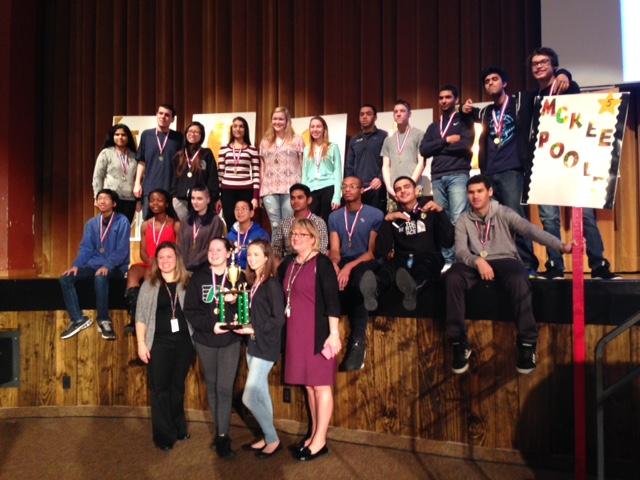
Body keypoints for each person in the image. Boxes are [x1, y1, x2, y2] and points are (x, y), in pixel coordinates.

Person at [445, 175, 572, 375]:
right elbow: (461, 251)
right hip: (475, 262)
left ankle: (527, 343)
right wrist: (477, 261)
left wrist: (561, 246)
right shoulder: (463, 219)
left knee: (518, 278)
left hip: (504, 259)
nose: (475, 196)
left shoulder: (504, 213)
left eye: (479, 191)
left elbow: (531, 231)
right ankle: (459, 342)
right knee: (453, 277)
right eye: (471, 192)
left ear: (490, 192)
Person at [462, 68, 570, 276]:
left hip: (512, 170)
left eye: (495, 79)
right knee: (497, 222)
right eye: (487, 81)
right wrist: (463, 109)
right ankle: (511, 261)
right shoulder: (486, 112)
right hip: (490, 173)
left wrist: (564, 74)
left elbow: (547, 93)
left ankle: (529, 264)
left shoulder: (521, 101)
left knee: (516, 219)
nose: (491, 83)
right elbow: (468, 115)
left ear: (504, 83)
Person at [524, 47, 619, 280]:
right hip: (545, 164)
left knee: (585, 215)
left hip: (573, 162)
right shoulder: (531, 98)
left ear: (554, 66)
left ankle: (598, 264)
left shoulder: (567, 87)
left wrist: (565, 74)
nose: (538, 66)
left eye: (543, 62)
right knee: (549, 218)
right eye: (534, 63)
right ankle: (555, 265)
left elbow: (575, 93)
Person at [278, 219, 341, 461]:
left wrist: (333, 334)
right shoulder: (290, 264)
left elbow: (333, 301)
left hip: (318, 334)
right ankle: (315, 434)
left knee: (321, 385)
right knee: (308, 385)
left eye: (302, 234)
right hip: (296, 332)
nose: (296, 238)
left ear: (314, 238)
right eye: (293, 234)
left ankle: (321, 440)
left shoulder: (322, 263)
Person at [183, 237, 243, 459]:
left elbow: (245, 305)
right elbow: (190, 310)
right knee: (213, 387)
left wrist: (233, 307)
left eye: (219, 249)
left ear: (228, 253)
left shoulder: (238, 275)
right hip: (206, 341)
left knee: (225, 389)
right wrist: (211, 325)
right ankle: (220, 432)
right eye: (211, 250)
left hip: (230, 341)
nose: (214, 253)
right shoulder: (198, 278)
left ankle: (223, 437)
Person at [360, 176, 454, 312]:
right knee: (388, 270)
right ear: (396, 197)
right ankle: (372, 292)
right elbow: (381, 251)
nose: (402, 191)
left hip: (427, 258)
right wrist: (386, 221)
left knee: (423, 268)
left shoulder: (431, 210)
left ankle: (412, 289)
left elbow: (448, 241)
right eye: (398, 189)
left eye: (406, 187)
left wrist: (441, 213)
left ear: (416, 191)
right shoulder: (394, 217)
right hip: (402, 261)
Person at [135, 241, 194, 451]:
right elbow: (140, 316)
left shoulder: (188, 282)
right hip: (158, 344)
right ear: (156, 262)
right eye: (161, 258)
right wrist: (141, 344)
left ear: (176, 259)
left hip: (184, 344)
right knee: (160, 389)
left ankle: (179, 427)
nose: (165, 261)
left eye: (169, 256)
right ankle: (163, 436)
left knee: (177, 388)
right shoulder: (149, 285)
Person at [328, 176, 384, 371]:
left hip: (364, 261)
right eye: (344, 186)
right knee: (326, 278)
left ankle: (358, 342)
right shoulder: (334, 216)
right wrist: (335, 264)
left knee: (359, 279)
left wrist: (348, 267)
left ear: (362, 190)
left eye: (353, 186)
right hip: (344, 260)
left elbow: (372, 252)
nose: (347, 190)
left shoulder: (375, 214)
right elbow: (335, 250)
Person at [235, 240, 285, 458]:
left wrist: (253, 328)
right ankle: (267, 437)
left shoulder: (272, 283)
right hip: (253, 344)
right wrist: (243, 323)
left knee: (249, 397)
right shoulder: (254, 282)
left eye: (257, 254)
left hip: (266, 346)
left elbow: (278, 318)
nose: (252, 258)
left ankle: (272, 438)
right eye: (249, 255)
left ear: (267, 257)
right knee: (262, 394)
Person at [59, 189, 130, 341]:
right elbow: (86, 248)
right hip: (93, 265)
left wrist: (108, 266)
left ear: (114, 203)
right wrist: (76, 265)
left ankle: (104, 320)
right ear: (95, 202)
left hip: (116, 267)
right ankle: (78, 319)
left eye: (106, 198)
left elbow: (122, 250)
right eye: (100, 198)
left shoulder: (122, 221)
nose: (102, 201)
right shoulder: (91, 224)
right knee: (66, 278)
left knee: (100, 277)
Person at [420, 85, 475, 270]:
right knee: (442, 219)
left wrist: (438, 147)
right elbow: (424, 150)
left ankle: (461, 259)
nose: (444, 100)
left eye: (448, 97)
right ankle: (448, 260)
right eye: (441, 97)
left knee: (458, 217)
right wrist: (445, 141)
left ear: (456, 100)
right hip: (437, 176)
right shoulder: (434, 127)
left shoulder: (465, 121)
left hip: (458, 174)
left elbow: (465, 146)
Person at [124, 189, 180, 333]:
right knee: (133, 271)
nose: (155, 203)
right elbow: (142, 250)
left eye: (159, 200)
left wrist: (161, 263)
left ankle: (149, 317)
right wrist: (151, 261)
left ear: (167, 204)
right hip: (149, 262)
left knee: (150, 275)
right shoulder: (145, 224)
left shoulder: (175, 224)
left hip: (168, 264)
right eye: (152, 200)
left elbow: (179, 250)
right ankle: (135, 315)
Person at [259, 106, 304, 231]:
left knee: (287, 224)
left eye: (281, 119)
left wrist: (301, 187)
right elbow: (262, 166)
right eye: (274, 119)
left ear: (287, 121)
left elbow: (302, 164)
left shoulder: (297, 139)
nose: (277, 122)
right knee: (275, 225)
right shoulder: (265, 141)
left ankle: (289, 251)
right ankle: (277, 251)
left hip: (290, 188)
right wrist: (260, 190)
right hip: (269, 188)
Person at [134, 104, 183, 216]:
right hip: (149, 188)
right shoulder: (146, 135)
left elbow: (182, 163)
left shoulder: (178, 137)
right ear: (156, 115)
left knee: (171, 225)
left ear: (172, 119)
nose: (163, 117)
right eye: (160, 113)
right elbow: (141, 161)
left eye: (167, 115)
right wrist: (137, 183)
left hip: (171, 189)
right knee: (149, 224)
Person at [381, 100, 425, 211]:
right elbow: (385, 166)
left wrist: (411, 184)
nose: (398, 114)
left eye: (402, 111)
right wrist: (389, 187)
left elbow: (421, 162)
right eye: (395, 112)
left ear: (409, 114)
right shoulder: (388, 139)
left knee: (415, 222)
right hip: (394, 189)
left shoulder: (419, 134)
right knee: (395, 223)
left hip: (414, 188)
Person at [171, 121, 219, 223]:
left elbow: (212, 176)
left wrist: (212, 197)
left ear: (201, 136)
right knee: (185, 229)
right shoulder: (179, 155)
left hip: (201, 200)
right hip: (181, 200)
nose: (193, 134)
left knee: (200, 228)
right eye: (190, 131)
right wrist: (174, 195)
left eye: (197, 132)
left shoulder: (206, 153)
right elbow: (173, 177)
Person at [218, 117, 261, 229]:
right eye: (235, 126)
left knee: (245, 221)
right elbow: (220, 173)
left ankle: (245, 245)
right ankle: (233, 245)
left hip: (246, 190)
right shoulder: (224, 149)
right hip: (227, 191)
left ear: (245, 129)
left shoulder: (252, 149)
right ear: (232, 129)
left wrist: (255, 197)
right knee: (230, 220)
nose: (238, 129)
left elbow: (256, 173)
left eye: (241, 126)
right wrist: (218, 196)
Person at [345, 104, 388, 213]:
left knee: (376, 220)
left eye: (368, 114)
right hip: (358, 189)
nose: (364, 117)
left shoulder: (383, 136)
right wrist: (352, 185)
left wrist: (380, 178)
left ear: (375, 117)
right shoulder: (354, 139)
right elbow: (349, 165)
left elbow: (387, 161)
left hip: (376, 186)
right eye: (362, 114)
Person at [92, 123, 138, 222]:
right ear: (112, 136)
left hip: (130, 200)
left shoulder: (134, 156)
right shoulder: (106, 153)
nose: (120, 137)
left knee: (124, 230)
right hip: (111, 198)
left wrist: (139, 200)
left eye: (123, 135)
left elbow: (139, 179)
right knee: (109, 229)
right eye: (117, 134)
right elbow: (97, 177)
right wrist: (97, 196)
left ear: (128, 137)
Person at [300, 116, 342, 223]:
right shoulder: (306, 149)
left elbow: (337, 172)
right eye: (312, 127)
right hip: (311, 190)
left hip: (328, 187)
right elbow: (304, 173)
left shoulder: (333, 147)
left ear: (324, 129)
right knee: (311, 223)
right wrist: (303, 194)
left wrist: (337, 196)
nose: (315, 129)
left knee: (328, 222)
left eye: (318, 126)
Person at [271, 183, 328, 260]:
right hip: (289, 263)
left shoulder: (318, 222)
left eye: (300, 197)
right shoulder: (284, 223)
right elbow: (276, 249)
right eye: (293, 198)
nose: (295, 201)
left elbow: (322, 249)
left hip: (312, 262)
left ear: (309, 200)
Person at [178, 185, 224, 271]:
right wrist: (183, 265)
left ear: (208, 200)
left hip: (205, 269)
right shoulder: (185, 220)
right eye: (193, 198)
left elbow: (211, 247)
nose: (195, 202)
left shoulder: (215, 221)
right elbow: (180, 245)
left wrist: (192, 264)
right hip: (184, 269)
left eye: (199, 199)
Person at [226, 200, 270, 269]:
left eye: (243, 209)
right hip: (233, 274)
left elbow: (266, 259)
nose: (239, 212)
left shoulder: (261, 234)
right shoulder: (230, 236)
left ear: (251, 213)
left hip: (253, 273)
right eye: (237, 209)